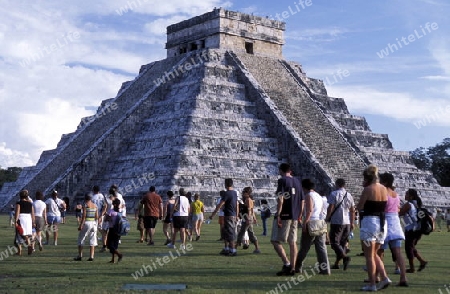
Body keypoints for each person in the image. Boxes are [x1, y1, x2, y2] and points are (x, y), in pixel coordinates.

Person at [357, 164, 391, 291]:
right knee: (375, 253)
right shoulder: (384, 189)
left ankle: (372, 284)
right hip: (382, 223)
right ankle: (384, 277)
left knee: (369, 255)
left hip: (370, 222)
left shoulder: (368, 189)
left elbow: (359, 207)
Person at [271, 163, 303, 276]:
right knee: (292, 242)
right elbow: (302, 200)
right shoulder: (298, 182)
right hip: (295, 215)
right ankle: (293, 268)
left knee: (275, 240)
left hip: (285, 214)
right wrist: (299, 215)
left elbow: (281, 198)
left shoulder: (282, 180)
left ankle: (287, 263)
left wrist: (279, 214)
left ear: (281, 170)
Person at [378, 172, 408, 286]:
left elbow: (380, 207)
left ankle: (380, 276)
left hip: (385, 222)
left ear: (384, 182)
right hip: (395, 222)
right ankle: (403, 277)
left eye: (381, 180)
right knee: (398, 252)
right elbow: (398, 209)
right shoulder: (396, 194)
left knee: (379, 251)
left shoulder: (382, 192)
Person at [295, 179, 330, 275]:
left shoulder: (308, 196)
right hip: (320, 222)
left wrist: (305, 223)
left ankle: (297, 266)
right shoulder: (319, 196)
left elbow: (309, 210)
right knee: (321, 247)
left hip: (312, 222)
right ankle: (325, 269)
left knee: (304, 247)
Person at [326, 178, 354, 271]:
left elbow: (331, 207)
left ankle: (345, 257)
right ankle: (337, 263)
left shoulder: (334, 194)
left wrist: (327, 217)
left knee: (334, 242)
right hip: (347, 222)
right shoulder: (349, 195)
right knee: (342, 244)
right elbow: (352, 210)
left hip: (337, 221)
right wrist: (352, 222)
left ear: (336, 184)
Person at [399, 188, 428, 273]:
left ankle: (412, 268)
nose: (405, 195)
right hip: (418, 229)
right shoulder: (416, 204)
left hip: (411, 229)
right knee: (411, 247)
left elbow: (400, 213)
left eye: (407, 194)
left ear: (411, 196)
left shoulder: (408, 204)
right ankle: (422, 261)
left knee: (409, 248)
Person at [210, 178, 239, 256]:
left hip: (228, 215)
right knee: (226, 233)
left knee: (230, 233)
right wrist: (237, 215)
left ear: (225, 184)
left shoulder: (227, 193)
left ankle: (233, 250)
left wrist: (213, 214)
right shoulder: (235, 193)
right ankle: (227, 249)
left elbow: (220, 205)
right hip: (231, 215)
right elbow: (236, 205)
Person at [74, 193, 98, 261]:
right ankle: (91, 256)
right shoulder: (95, 206)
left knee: (81, 239)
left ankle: (80, 255)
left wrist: (80, 225)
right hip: (93, 223)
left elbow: (84, 216)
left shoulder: (85, 205)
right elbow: (96, 216)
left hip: (87, 223)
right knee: (92, 240)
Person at [236, 187, 260, 253]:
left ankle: (234, 247)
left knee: (241, 232)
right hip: (249, 218)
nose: (243, 193)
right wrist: (254, 218)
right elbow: (252, 211)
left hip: (247, 218)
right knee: (251, 233)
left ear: (247, 193)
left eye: (244, 192)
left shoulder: (248, 200)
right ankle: (257, 248)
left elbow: (249, 210)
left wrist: (248, 219)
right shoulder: (250, 200)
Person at [15, 190, 35, 255]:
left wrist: (15, 221)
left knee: (19, 234)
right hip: (28, 218)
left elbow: (17, 212)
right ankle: (29, 247)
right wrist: (33, 222)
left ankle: (20, 251)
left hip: (21, 218)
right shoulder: (30, 203)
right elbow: (32, 213)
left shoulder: (19, 203)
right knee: (27, 235)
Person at [106, 198, 123, 263]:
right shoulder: (120, 211)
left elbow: (106, 219)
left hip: (112, 229)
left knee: (109, 245)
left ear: (114, 204)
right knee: (115, 245)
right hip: (119, 230)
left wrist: (107, 216)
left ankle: (119, 254)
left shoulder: (111, 211)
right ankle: (113, 259)